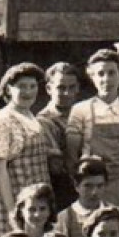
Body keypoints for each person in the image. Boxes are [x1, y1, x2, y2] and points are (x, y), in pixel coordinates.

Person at [65, 49, 119, 232]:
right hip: (94, 186)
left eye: (112, 73)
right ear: (92, 77)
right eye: (100, 74)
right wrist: (82, 190)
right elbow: (72, 156)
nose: (106, 79)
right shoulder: (80, 111)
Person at [0, 63, 54, 237]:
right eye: (22, 87)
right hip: (16, 197)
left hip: (38, 197)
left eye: (33, 86)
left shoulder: (30, 116)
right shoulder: (2, 120)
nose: (28, 92)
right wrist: (12, 211)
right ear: (9, 89)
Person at [53, 155, 119, 237]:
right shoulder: (65, 218)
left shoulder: (118, 213)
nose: (94, 192)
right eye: (88, 186)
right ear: (76, 186)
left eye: (99, 186)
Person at [38, 61, 82, 210]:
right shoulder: (44, 121)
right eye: (61, 88)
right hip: (62, 190)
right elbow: (56, 167)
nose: (67, 93)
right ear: (49, 89)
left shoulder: (82, 113)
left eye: (72, 87)